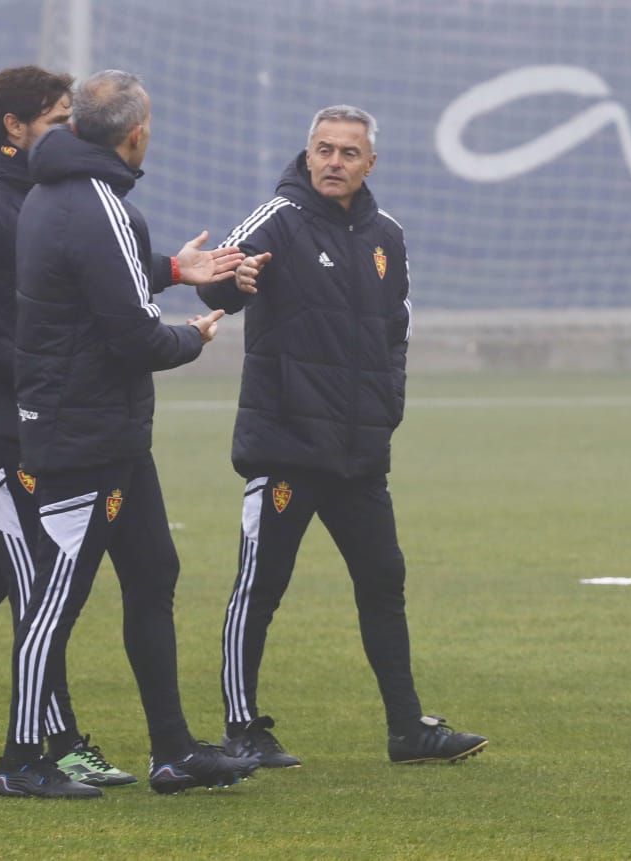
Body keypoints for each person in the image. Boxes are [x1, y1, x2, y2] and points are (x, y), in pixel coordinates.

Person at [0, 66, 241, 788]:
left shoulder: (42, 194)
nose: (72, 126)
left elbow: (76, 279)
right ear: (14, 126)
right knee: (37, 580)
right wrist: (27, 367)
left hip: (42, 408)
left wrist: (168, 267)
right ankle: (50, 744)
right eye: (57, 115)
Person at [198, 105, 488, 768]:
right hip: (287, 445)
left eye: (347, 152)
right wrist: (230, 278)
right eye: (323, 149)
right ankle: (242, 728)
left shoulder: (386, 234)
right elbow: (220, 277)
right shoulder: (277, 217)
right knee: (261, 584)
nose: (333, 161)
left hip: (358, 452)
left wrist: (387, 408)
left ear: (370, 163)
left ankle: (407, 729)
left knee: (384, 580)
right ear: (307, 154)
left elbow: (397, 333)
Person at [0, 69, 259, 799]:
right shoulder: (100, 203)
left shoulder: (51, 192)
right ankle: (20, 760)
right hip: (85, 431)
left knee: (153, 573)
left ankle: (172, 752)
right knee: (57, 599)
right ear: (136, 133)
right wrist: (194, 335)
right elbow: (132, 336)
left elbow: (97, 279)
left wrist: (175, 267)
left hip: (100, 427)